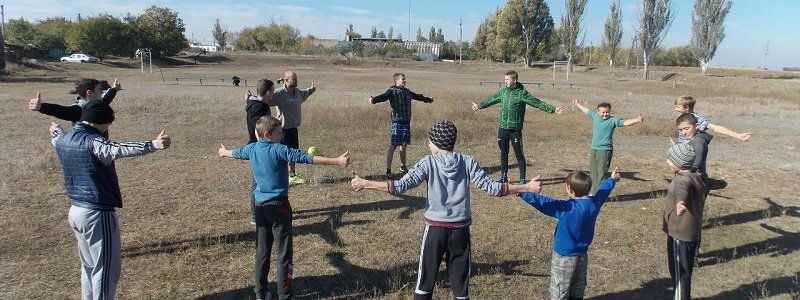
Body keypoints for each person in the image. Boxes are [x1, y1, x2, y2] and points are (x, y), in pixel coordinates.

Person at [350, 120, 541, 300]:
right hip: (460, 231)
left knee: (425, 281)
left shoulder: (428, 162)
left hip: (435, 230)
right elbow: (493, 188)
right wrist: (526, 187)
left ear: (437, 143)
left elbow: (399, 186)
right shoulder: (468, 161)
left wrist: (366, 183)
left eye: (430, 141)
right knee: (460, 284)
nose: (428, 145)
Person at [49, 100, 171, 300]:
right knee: (105, 270)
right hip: (97, 213)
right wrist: (154, 144)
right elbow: (119, 148)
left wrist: (55, 129)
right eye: (109, 123)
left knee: (88, 266)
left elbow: (56, 136)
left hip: (76, 211)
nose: (109, 127)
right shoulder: (94, 142)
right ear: (102, 121)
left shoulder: (64, 139)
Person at [218, 116, 349, 300]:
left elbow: (236, 153)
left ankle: (260, 295)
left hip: (260, 208)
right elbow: (306, 158)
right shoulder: (279, 149)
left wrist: (223, 152)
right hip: (279, 208)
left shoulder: (252, 149)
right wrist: (336, 161)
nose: (281, 136)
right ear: (267, 134)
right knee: (283, 254)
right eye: (279, 133)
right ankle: (285, 296)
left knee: (262, 252)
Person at [517, 167, 621, 300]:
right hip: (582, 256)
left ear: (570, 189)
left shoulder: (567, 208)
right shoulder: (594, 204)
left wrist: (522, 191)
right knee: (577, 290)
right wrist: (612, 179)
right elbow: (603, 191)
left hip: (563, 258)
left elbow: (543, 202)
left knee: (560, 292)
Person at [472, 70, 564, 184]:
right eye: (505, 79)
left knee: (519, 154)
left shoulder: (522, 93)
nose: (505, 81)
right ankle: (503, 176)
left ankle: (522, 178)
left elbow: (537, 102)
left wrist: (553, 109)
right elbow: (492, 99)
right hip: (503, 129)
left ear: (514, 80)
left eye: (507, 79)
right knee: (503, 153)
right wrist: (479, 106)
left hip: (515, 130)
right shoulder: (503, 92)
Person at [369, 72, 434, 180]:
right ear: (396, 80)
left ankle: (403, 167)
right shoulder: (392, 91)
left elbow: (418, 96)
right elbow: (383, 97)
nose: (404, 80)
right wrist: (374, 100)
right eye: (402, 79)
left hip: (406, 122)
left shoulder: (407, 91)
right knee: (393, 145)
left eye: (405, 79)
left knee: (403, 145)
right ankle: (388, 171)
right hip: (397, 122)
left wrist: (428, 100)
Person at [662, 142, 706, 300]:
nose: (667, 162)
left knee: (680, 274)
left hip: (679, 235)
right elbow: (710, 182)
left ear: (679, 164)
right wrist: (722, 183)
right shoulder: (698, 177)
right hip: (692, 233)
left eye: (670, 159)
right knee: (685, 270)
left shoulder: (682, 181)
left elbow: (682, 191)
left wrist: (680, 202)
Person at [572, 100, 644, 194]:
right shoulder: (595, 116)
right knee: (593, 173)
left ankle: (601, 194)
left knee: (601, 173)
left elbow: (625, 122)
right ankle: (592, 192)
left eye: (607, 112)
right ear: (598, 111)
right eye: (603, 112)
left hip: (605, 150)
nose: (605, 114)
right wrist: (577, 104)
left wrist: (636, 120)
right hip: (594, 149)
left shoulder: (612, 120)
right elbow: (586, 110)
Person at [271, 71, 317, 185]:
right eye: (293, 79)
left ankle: (292, 175)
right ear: (286, 80)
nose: (296, 81)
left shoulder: (297, 92)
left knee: (293, 153)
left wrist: (311, 90)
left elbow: (305, 93)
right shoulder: (279, 93)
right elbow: (264, 100)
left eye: (296, 79)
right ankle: (277, 176)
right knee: (281, 155)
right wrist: (251, 98)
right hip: (281, 131)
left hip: (293, 129)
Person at [244, 79, 277, 225]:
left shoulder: (257, 104)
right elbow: (258, 127)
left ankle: (265, 211)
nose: (274, 93)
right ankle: (255, 216)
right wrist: (263, 147)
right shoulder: (258, 108)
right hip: (259, 150)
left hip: (261, 148)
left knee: (263, 181)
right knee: (257, 183)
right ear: (268, 92)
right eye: (273, 91)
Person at [29, 78, 121, 125]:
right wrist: (42, 107)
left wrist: (114, 90)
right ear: (89, 93)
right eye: (99, 90)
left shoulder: (97, 104)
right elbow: (62, 111)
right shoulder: (80, 110)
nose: (102, 92)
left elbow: (106, 100)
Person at [673, 95, 751, 143]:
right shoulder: (681, 116)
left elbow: (715, 128)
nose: (675, 109)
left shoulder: (697, 118)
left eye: (677, 106)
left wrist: (737, 135)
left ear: (686, 108)